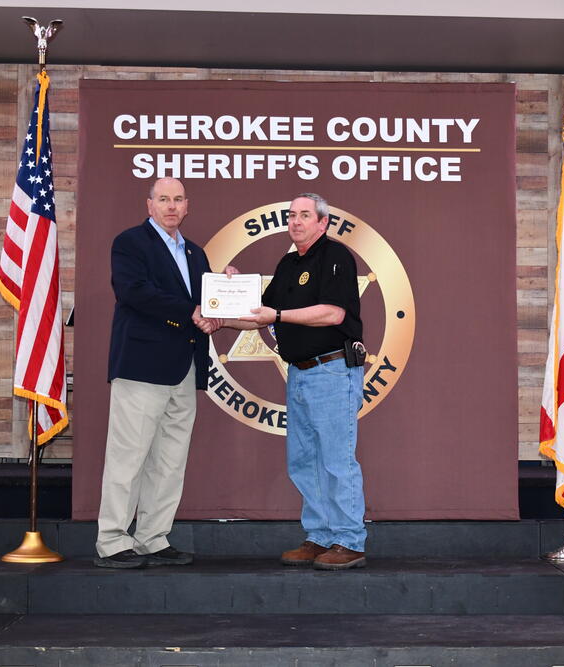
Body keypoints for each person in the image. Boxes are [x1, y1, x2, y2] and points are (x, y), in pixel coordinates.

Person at [205, 193, 367, 570]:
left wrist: (276, 312)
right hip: (299, 372)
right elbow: (259, 316)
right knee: (304, 460)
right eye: (291, 215)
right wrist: (222, 313)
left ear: (322, 223)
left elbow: (332, 313)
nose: (295, 222)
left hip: (332, 370)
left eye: (304, 216)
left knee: (336, 460)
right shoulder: (288, 263)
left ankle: (349, 540)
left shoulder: (336, 257)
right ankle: (320, 536)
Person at [94, 177, 217, 569]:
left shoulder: (197, 255)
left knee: (169, 460)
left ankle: (152, 537)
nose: (171, 206)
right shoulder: (130, 243)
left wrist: (224, 293)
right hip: (142, 368)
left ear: (187, 206)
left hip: (184, 369)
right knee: (128, 456)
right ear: (149, 205)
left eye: (178, 199)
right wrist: (192, 312)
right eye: (163, 199)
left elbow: (207, 305)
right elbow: (134, 292)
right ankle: (113, 539)